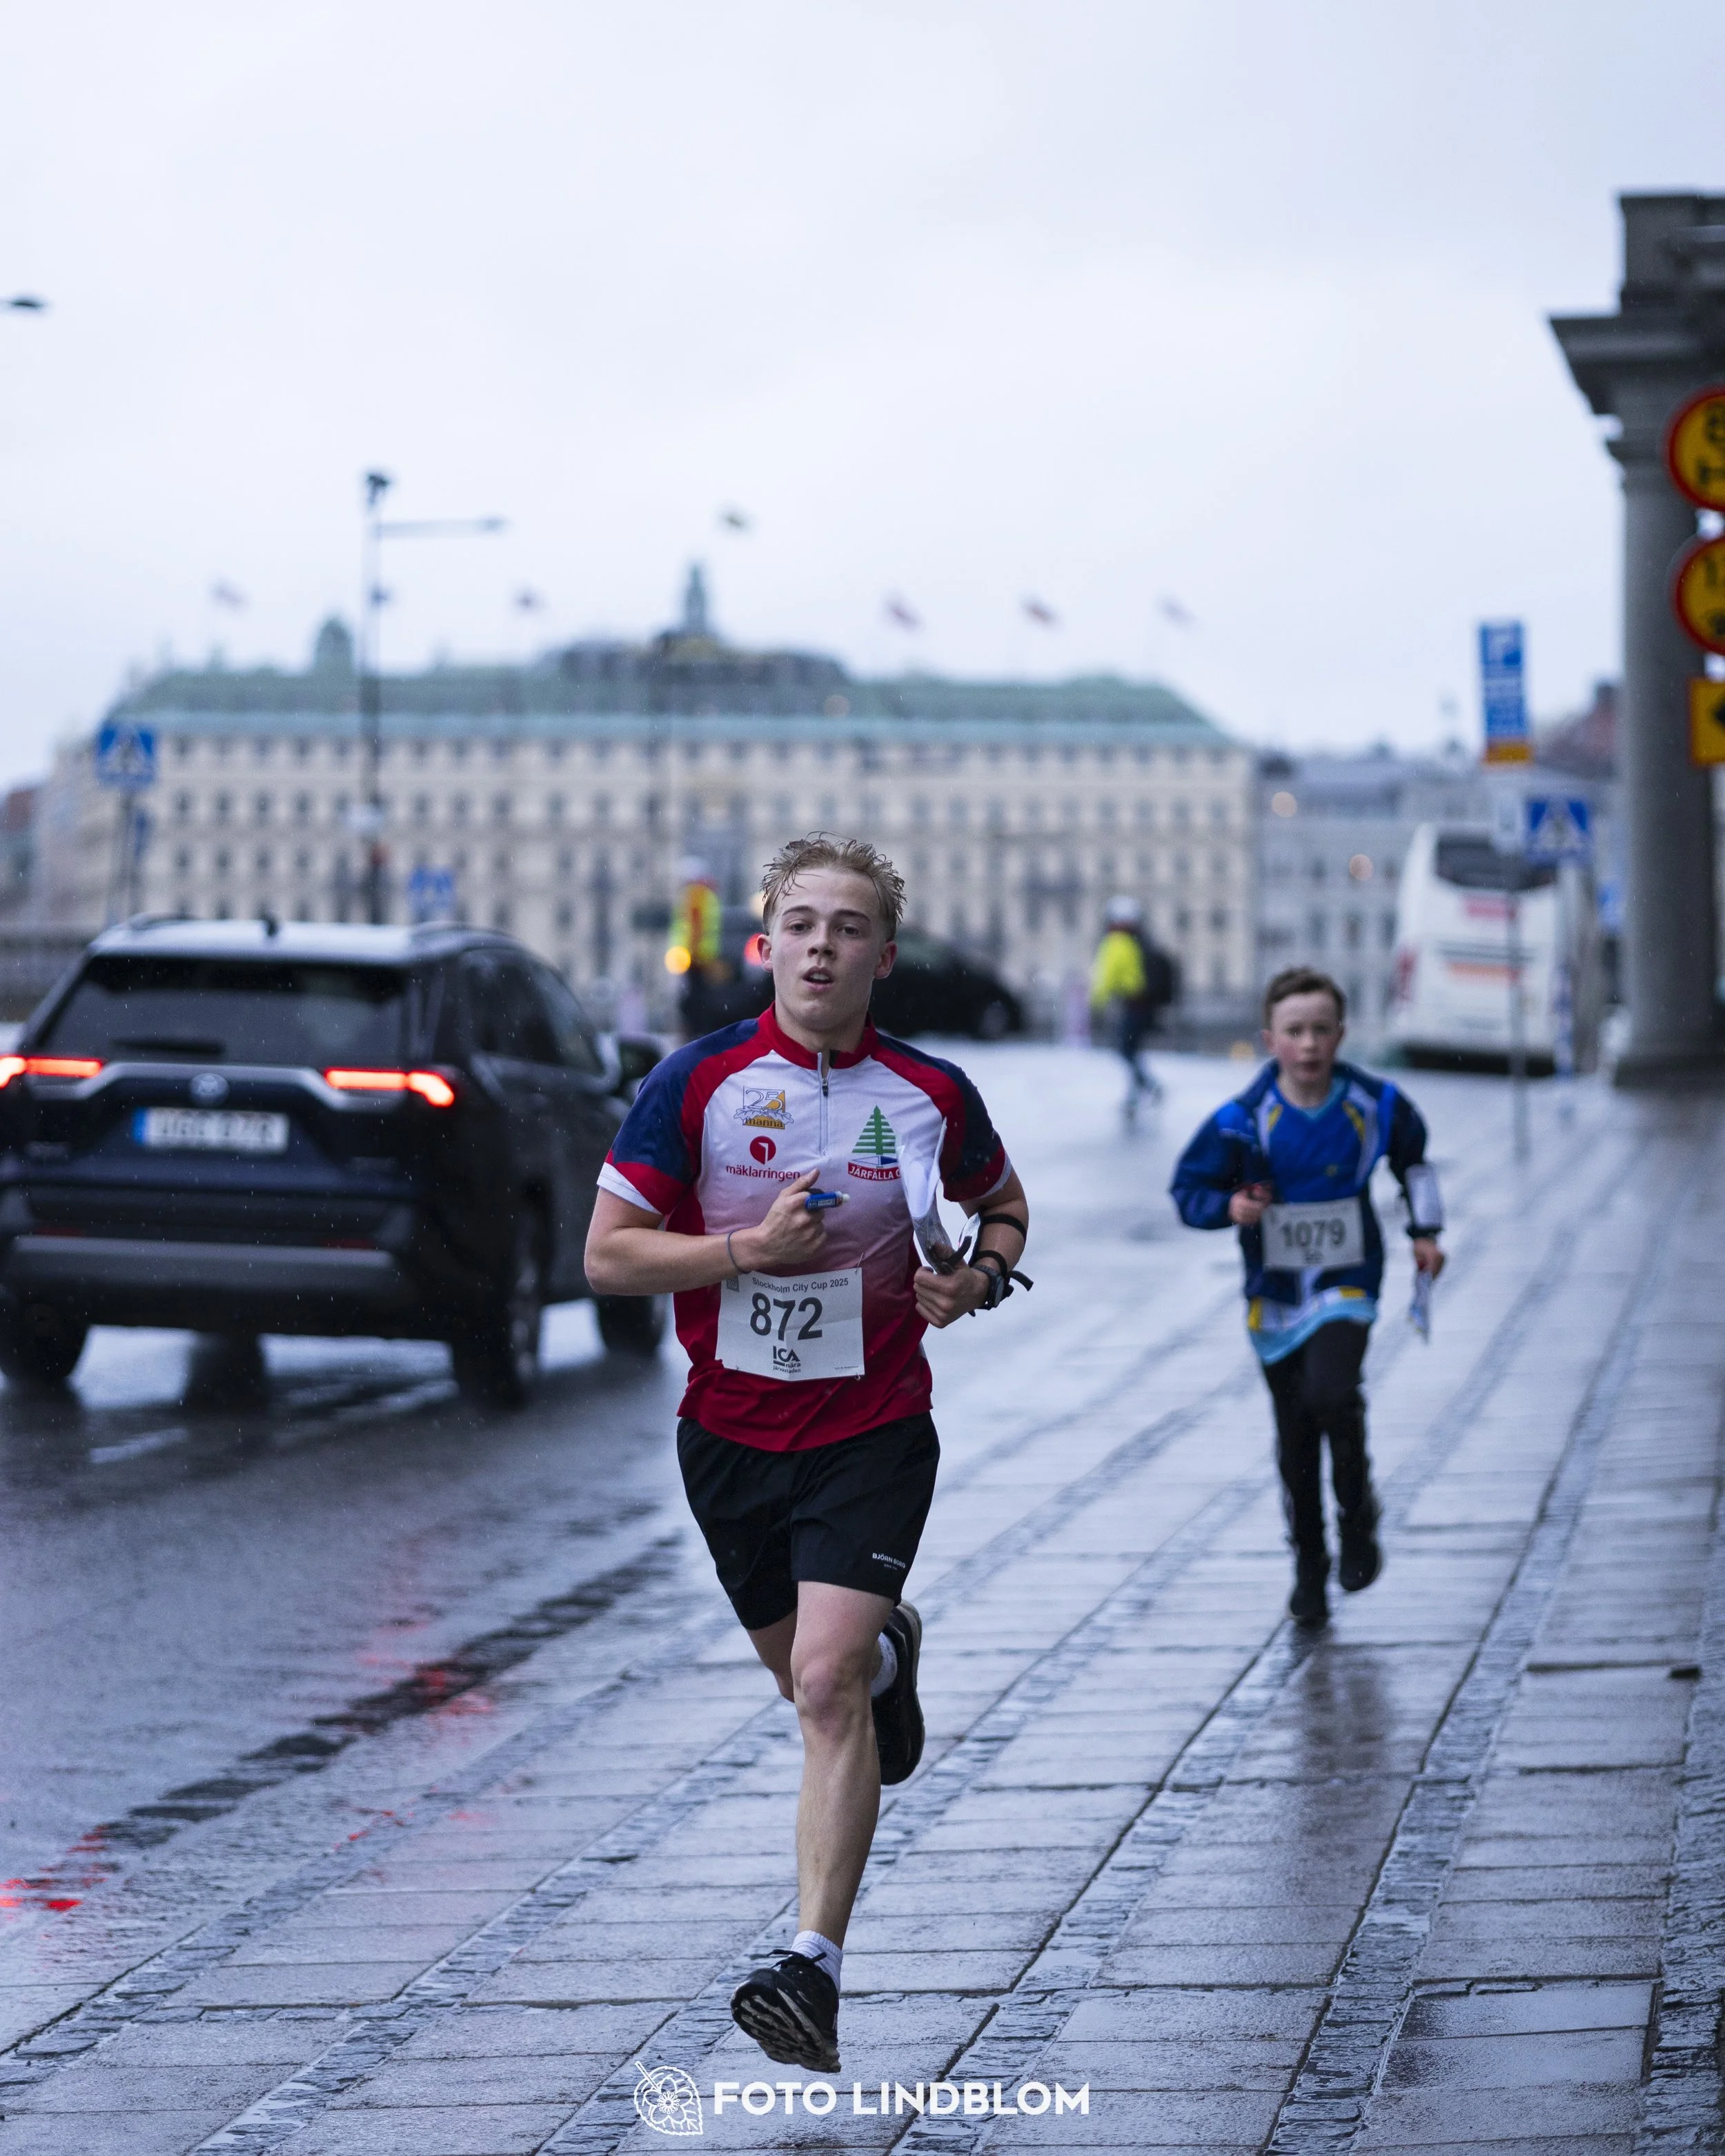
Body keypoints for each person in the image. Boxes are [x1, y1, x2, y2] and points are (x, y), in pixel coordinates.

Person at [584, 833, 1031, 2073]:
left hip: (874, 1429)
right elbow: (608, 1256)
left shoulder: (931, 1094)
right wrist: (740, 1254)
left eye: (848, 927)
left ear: (883, 957)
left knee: (824, 1691)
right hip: (728, 1438)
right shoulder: (696, 1083)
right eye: (802, 923)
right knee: (818, 1686)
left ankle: (811, 1972)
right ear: (763, 944)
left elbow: (1005, 1208)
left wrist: (975, 1282)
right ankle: (893, 1657)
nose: (823, 945)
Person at [1169, 967, 1443, 1629]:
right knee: (1295, 1436)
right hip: (1275, 1295)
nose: (1311, 1044)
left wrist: (1426, 1230)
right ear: (1271, 1039)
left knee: (1330, 1393)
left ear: (1341, 1034)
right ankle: (1309, 1566)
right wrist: (1229, 1205)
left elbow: (1416, 1162)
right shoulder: (1242, 1121)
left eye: (1322, 1030)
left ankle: (1357, 1514)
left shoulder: (1375, 1104)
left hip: (1348, 1282)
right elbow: (1188, 1189)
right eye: (1296, 1031)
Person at [1090, 896, 1176, 1115]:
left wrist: (1096, 1003)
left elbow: (1108, 976)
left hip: (1133, 1004)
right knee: (1131, 1049)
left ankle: (1144, 1090)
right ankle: (1141, 1091)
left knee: (1126, 1049)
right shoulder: (1140, 940)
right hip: (1145, 1005)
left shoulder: (1116, 942)